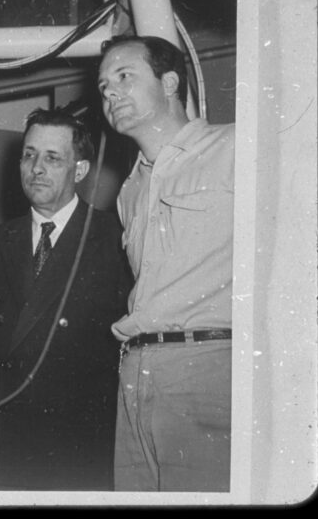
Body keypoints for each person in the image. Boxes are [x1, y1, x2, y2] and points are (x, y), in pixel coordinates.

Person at [0, 107, 132, 490]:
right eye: (29, 154)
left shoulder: (113, 238)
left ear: (80, 170)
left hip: (79, 440)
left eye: (52, 157)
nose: (36, 168)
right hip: (5, 439)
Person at [97, 35, 234, 492]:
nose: (109, 92)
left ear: (170, 81)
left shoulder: (233, 149)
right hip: (136, 371)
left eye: (124, 77)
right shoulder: (130, 191)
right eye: (103, 86)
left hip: (208, 365)